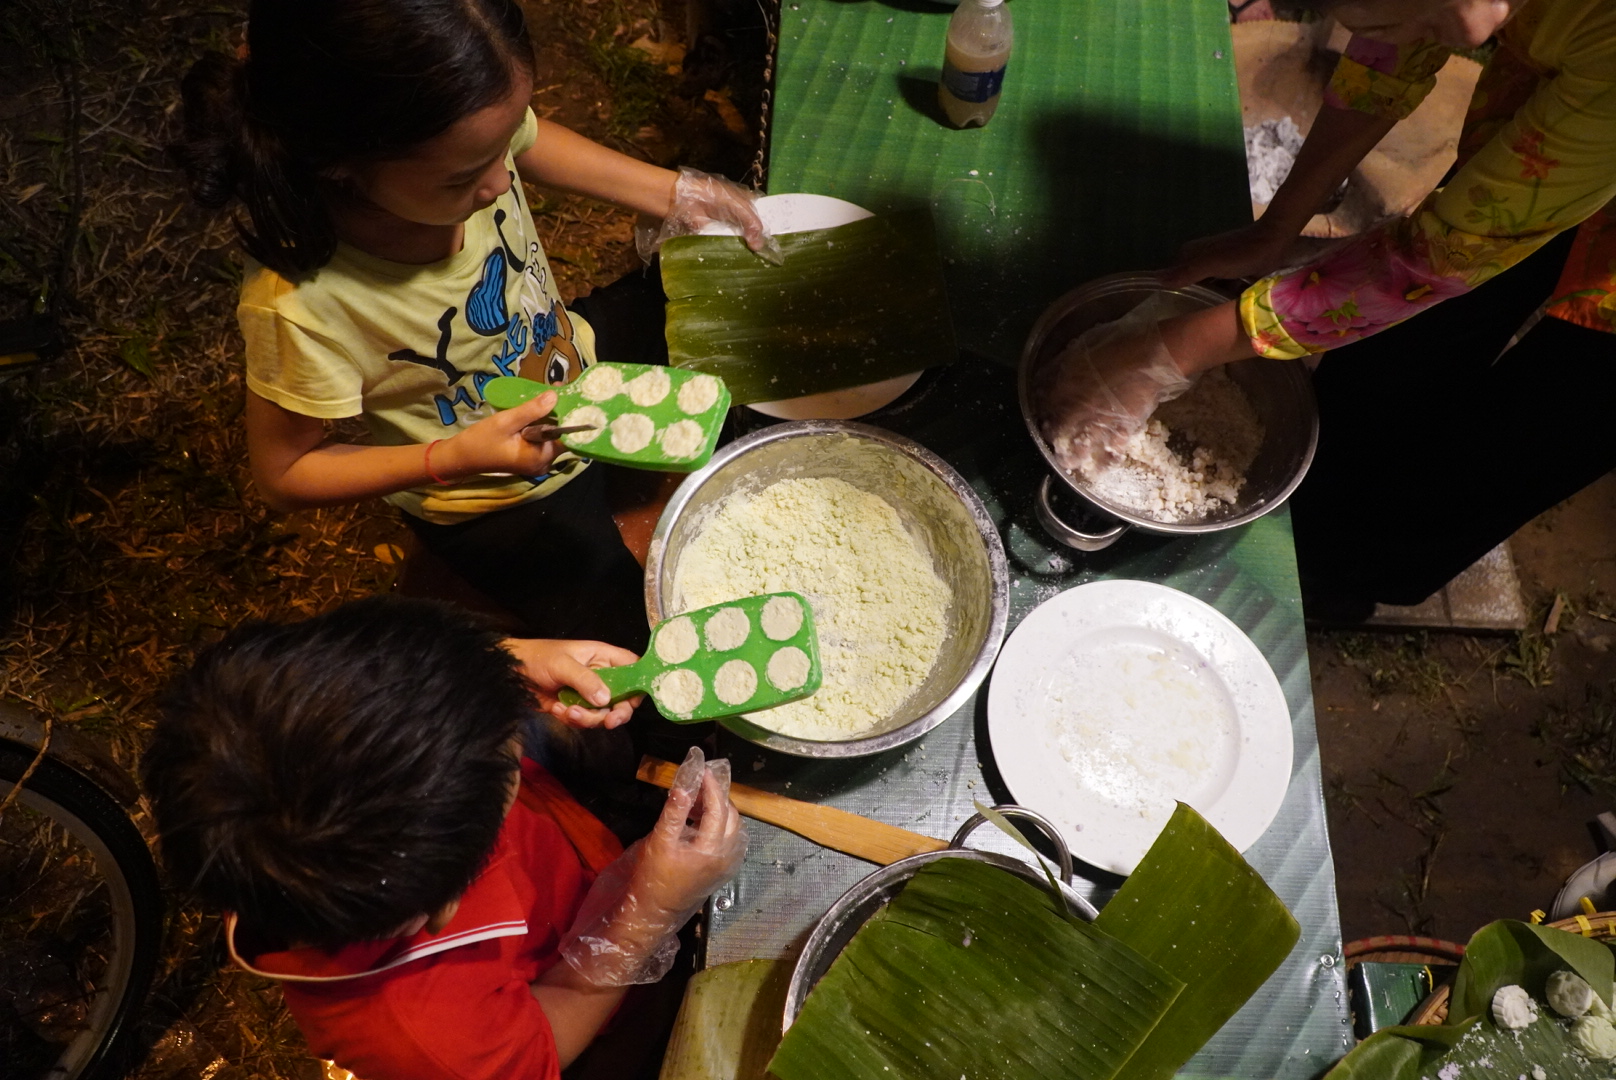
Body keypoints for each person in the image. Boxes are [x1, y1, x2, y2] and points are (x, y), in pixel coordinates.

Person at [172, 0, 777, 649]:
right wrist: (454, 457)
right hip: (494, 490)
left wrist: (670, 192)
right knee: (650, 638)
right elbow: (284, 473)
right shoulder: (301, 305)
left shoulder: (458, 139)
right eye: (465, 176)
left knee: (735, 305)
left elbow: (530, 141)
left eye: (506, 139)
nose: (500, 181)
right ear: (340, 162)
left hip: (565, 356)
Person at [1050, 0, 1616, 618]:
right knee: (1398, 361)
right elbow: (1393, 46)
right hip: (1562, 111)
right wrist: (1280, 223)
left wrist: (1169, 351)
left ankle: (1344, 581)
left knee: (1512, 443)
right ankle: (1314, 519)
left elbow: (1432, 258)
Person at [140, 597, 746, 1080]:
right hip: (578, 974)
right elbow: (543, 1047)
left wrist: (499, 665)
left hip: (566, 848)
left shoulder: (274, 741)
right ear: (442, 908)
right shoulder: (430, 1043)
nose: (515, 721)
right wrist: (650, 911)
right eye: (504, 759)